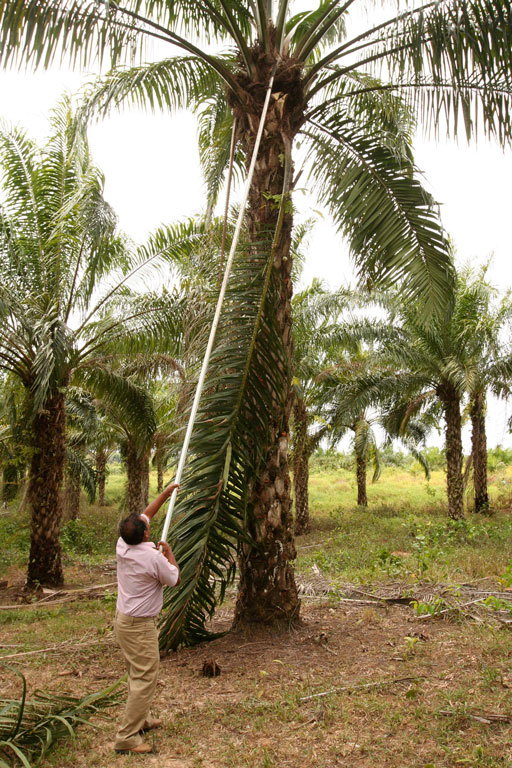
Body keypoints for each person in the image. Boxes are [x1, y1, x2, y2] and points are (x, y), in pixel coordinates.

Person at [113, 483, 181, 755]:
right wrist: (169, 554)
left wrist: (165, 495)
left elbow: (145, 516)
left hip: (124, 622)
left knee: (135, 673)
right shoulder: (153, 559)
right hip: (139, 626)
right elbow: (174, 579)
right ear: (147, 535)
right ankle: (126, 736)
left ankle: (142, 719)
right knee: (145, 677)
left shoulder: (123, 544)